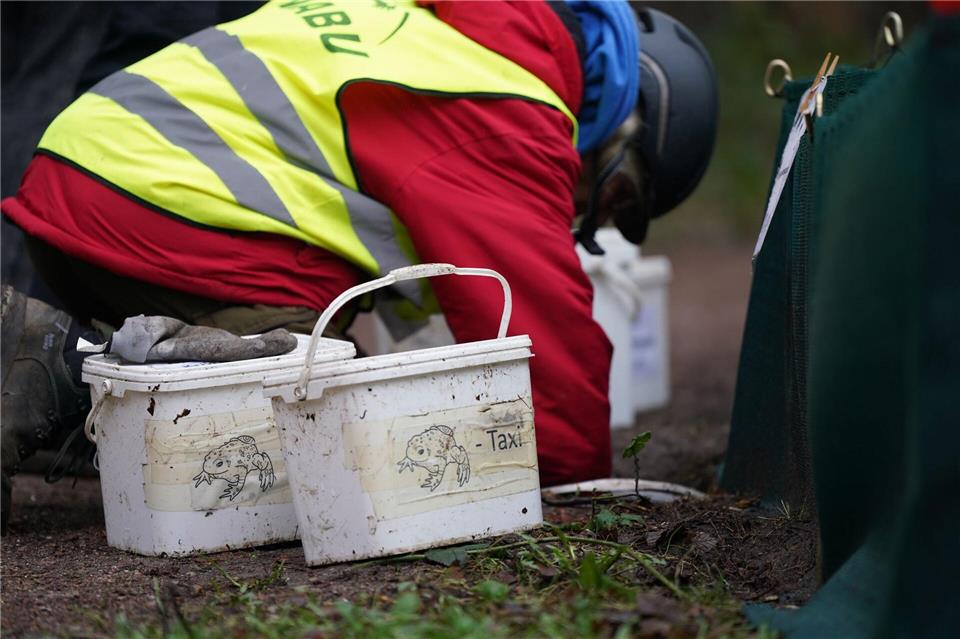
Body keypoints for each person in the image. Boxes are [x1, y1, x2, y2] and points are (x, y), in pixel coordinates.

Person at [0, 0, 717, 530]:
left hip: (105, 182)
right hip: (149, 203)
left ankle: (80, 388)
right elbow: (549, 372)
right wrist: (577, 472)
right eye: (613, 190)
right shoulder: (499, 101)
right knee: (325, 407)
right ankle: (51, 367)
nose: (585, 207)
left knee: (329, 387)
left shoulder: (443, 31)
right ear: (623, 107)